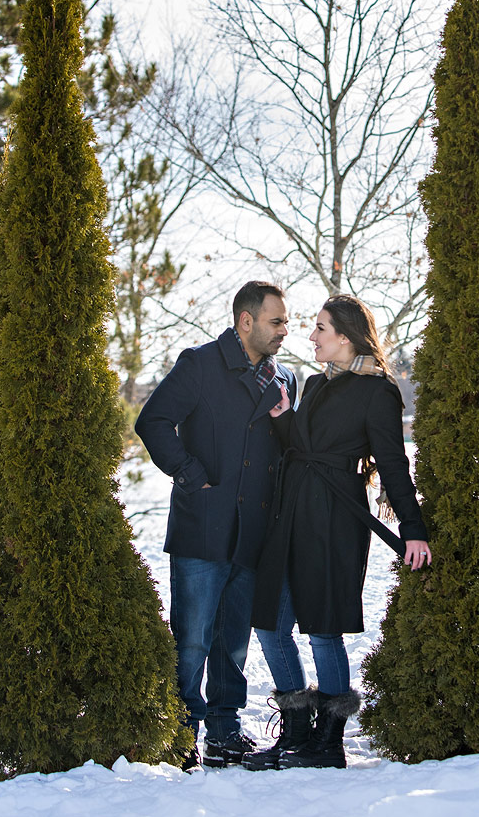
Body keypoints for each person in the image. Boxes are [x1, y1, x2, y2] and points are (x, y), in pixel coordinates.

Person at [244, 294, 431, 771]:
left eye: (321, 329)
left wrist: (413, 529)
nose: (311, 336)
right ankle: (298, 727)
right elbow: (305, 447)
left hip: (334, 518)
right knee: (269, 622)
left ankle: (328, 741)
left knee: (324, 629)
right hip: (290, 515)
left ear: (346, 337)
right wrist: (285, 418)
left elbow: (392, 464)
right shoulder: (314, 383)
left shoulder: (378, 391)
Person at [135, 281, 297, 770]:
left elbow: (288, 450)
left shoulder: (285, 378)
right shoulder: (199, 364)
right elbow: (153, 421)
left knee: (233, 641)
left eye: (287, 322)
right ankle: (179, 733)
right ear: (245, 321)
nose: (284, 332)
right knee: (193, 639)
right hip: (203, 525)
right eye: (276, 322)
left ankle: (225, 729)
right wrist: (189, 473)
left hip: (253, 530)